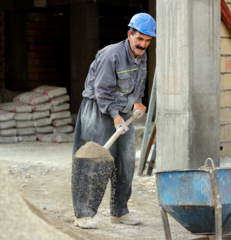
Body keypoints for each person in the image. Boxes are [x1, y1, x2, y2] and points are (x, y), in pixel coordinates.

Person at [72, 12, 156, 229]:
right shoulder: (112, 55)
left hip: (122, 112)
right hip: (98, 110)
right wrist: (116, 117)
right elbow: (102, 91)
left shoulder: (142, 56)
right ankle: (83, 214)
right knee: (94, 161)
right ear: (130, 34)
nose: (143, 44)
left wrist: (137, 102)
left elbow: (138, 85)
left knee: (125, 162)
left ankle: (119, 211)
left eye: (147, 41)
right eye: (139, 39)